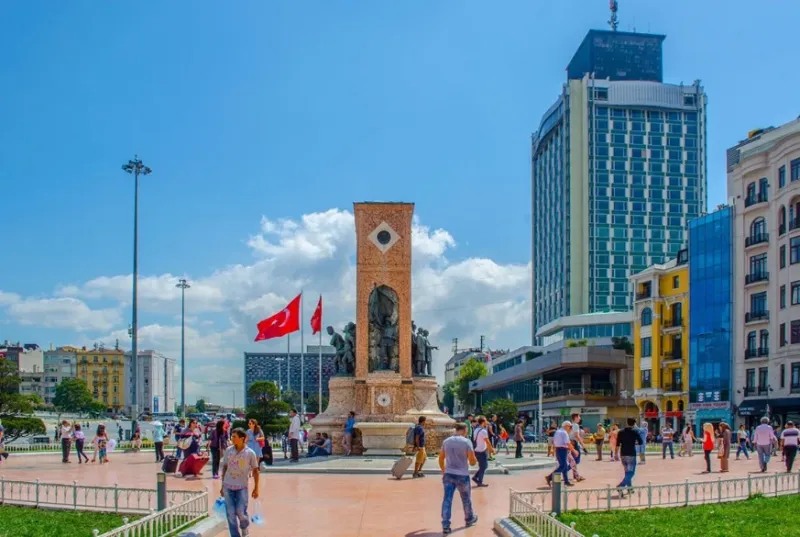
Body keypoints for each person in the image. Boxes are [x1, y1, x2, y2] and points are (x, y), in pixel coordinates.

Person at [439, 423, 479, 535]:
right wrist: (474, 459)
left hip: (449, 474)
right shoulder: (466, 442)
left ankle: (446, 525)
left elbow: (441, 458)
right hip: (462, 475)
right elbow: (472, 461)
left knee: (447, 499)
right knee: (466, 499)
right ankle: (469, 518)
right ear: (464, 430)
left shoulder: (446, 441)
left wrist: (443, 470)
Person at [220, 428, 260, 537]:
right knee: (230, 513)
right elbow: (225, 468)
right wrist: (222, 485)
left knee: (240, 511)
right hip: (228, 486)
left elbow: (256, 471)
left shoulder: (250, 453)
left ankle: (244, 525)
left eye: (234, 437)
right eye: (231, 436)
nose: (232, 439)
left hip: (242, 487)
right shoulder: (229, 450)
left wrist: (256, 488)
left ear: (242, 439)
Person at [545, 421, 577, 487]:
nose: (570, 428)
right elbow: (567, 443)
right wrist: (574, 451)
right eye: (570, 427)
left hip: (558, 450)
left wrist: (554, 450)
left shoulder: (558, 431)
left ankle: (566, 481)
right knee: (563, 466)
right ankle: (549, 477)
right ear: (566, 426)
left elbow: (555, 442)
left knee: (564, 466)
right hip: (562, 450)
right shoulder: (564, 433)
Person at [616, 418, 643, 494]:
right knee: (631, 472)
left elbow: (618, 444)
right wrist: (634, 443)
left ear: (627, 423)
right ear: (634, 424)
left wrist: (615, 453)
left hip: (623, 453)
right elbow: (640, 442)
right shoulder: (635, 431)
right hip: (631, 453)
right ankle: (621, 485)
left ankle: (630, 488)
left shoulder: (621, 432)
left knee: (627, 472)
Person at [471, 416, 494, 487]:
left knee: (483, 466)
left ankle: (476, 478)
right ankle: (479, 481)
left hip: (477, 450)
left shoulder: (476, 430)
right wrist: (492, 449)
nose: (487, 422)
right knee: (484, 466)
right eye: (486, 421)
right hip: (481, 451)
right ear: (483, 422)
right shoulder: (483, 431)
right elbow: (487, 441)